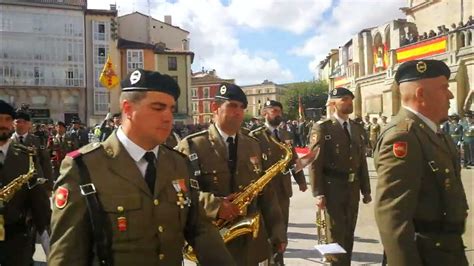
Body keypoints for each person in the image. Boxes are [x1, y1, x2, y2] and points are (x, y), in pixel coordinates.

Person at [48, 69, 234, 266]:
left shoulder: (178, 163)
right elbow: (66, 255)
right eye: (158, 108)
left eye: (171, 109)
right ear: (127, 109)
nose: (168, 117)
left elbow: (200, 229)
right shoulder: (85, 166)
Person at [177, 83, 286, 266]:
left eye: (242, 107)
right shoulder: (192, 146)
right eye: (232, 106)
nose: (238, 112)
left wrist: (278, 231)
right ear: (215, 108)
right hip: (213, 243)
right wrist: (215, 205)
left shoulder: (252, 144)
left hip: (250, 243)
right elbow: (180, 194)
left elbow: (267, 192)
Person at [374, 59, 469, 266]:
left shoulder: (432, 131)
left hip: (445, 249)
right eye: (444, 88)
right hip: (425, 254)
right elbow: (393, 217)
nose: (451, 95)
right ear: (421, 94)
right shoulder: (403, 136)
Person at [308, 87, 371, 265]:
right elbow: (315, 163)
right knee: (333, 234)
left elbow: (362, 162)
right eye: (344, 99)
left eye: (350, 99)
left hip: (352, 188)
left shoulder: (357, 128)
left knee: (349, 232)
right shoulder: (323, 128)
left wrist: (366, 190)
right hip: (332, 187)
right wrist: (318, 192)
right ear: (333, 103)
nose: (349, 102)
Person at [249, 100, 307, 265]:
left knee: (282, 230)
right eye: (274, 110)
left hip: (283, 191)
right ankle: (267, 261)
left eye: (279, 111)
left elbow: (294, 159)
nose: (278, 114)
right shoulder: (256, 136)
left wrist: (301, 180)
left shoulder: (285, 135)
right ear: (264, 113)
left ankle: (279, 260)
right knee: (267, 230)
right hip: (265, 191)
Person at [0, 100, 51, 266]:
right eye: (0, 119)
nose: (4, 124)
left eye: (8, 119)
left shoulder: (26, 157)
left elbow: (39, 204)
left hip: (16, 240)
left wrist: (49, 247)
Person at [11, 109, 53, 192]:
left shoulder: (37, 141)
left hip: (35, 184)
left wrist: (49, 186)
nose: (21, 125)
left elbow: (45, 163)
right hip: (12, 185)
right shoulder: (7, 141)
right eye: (18, 122)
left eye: (25, 122)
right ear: (13, 124)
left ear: (29, 124)